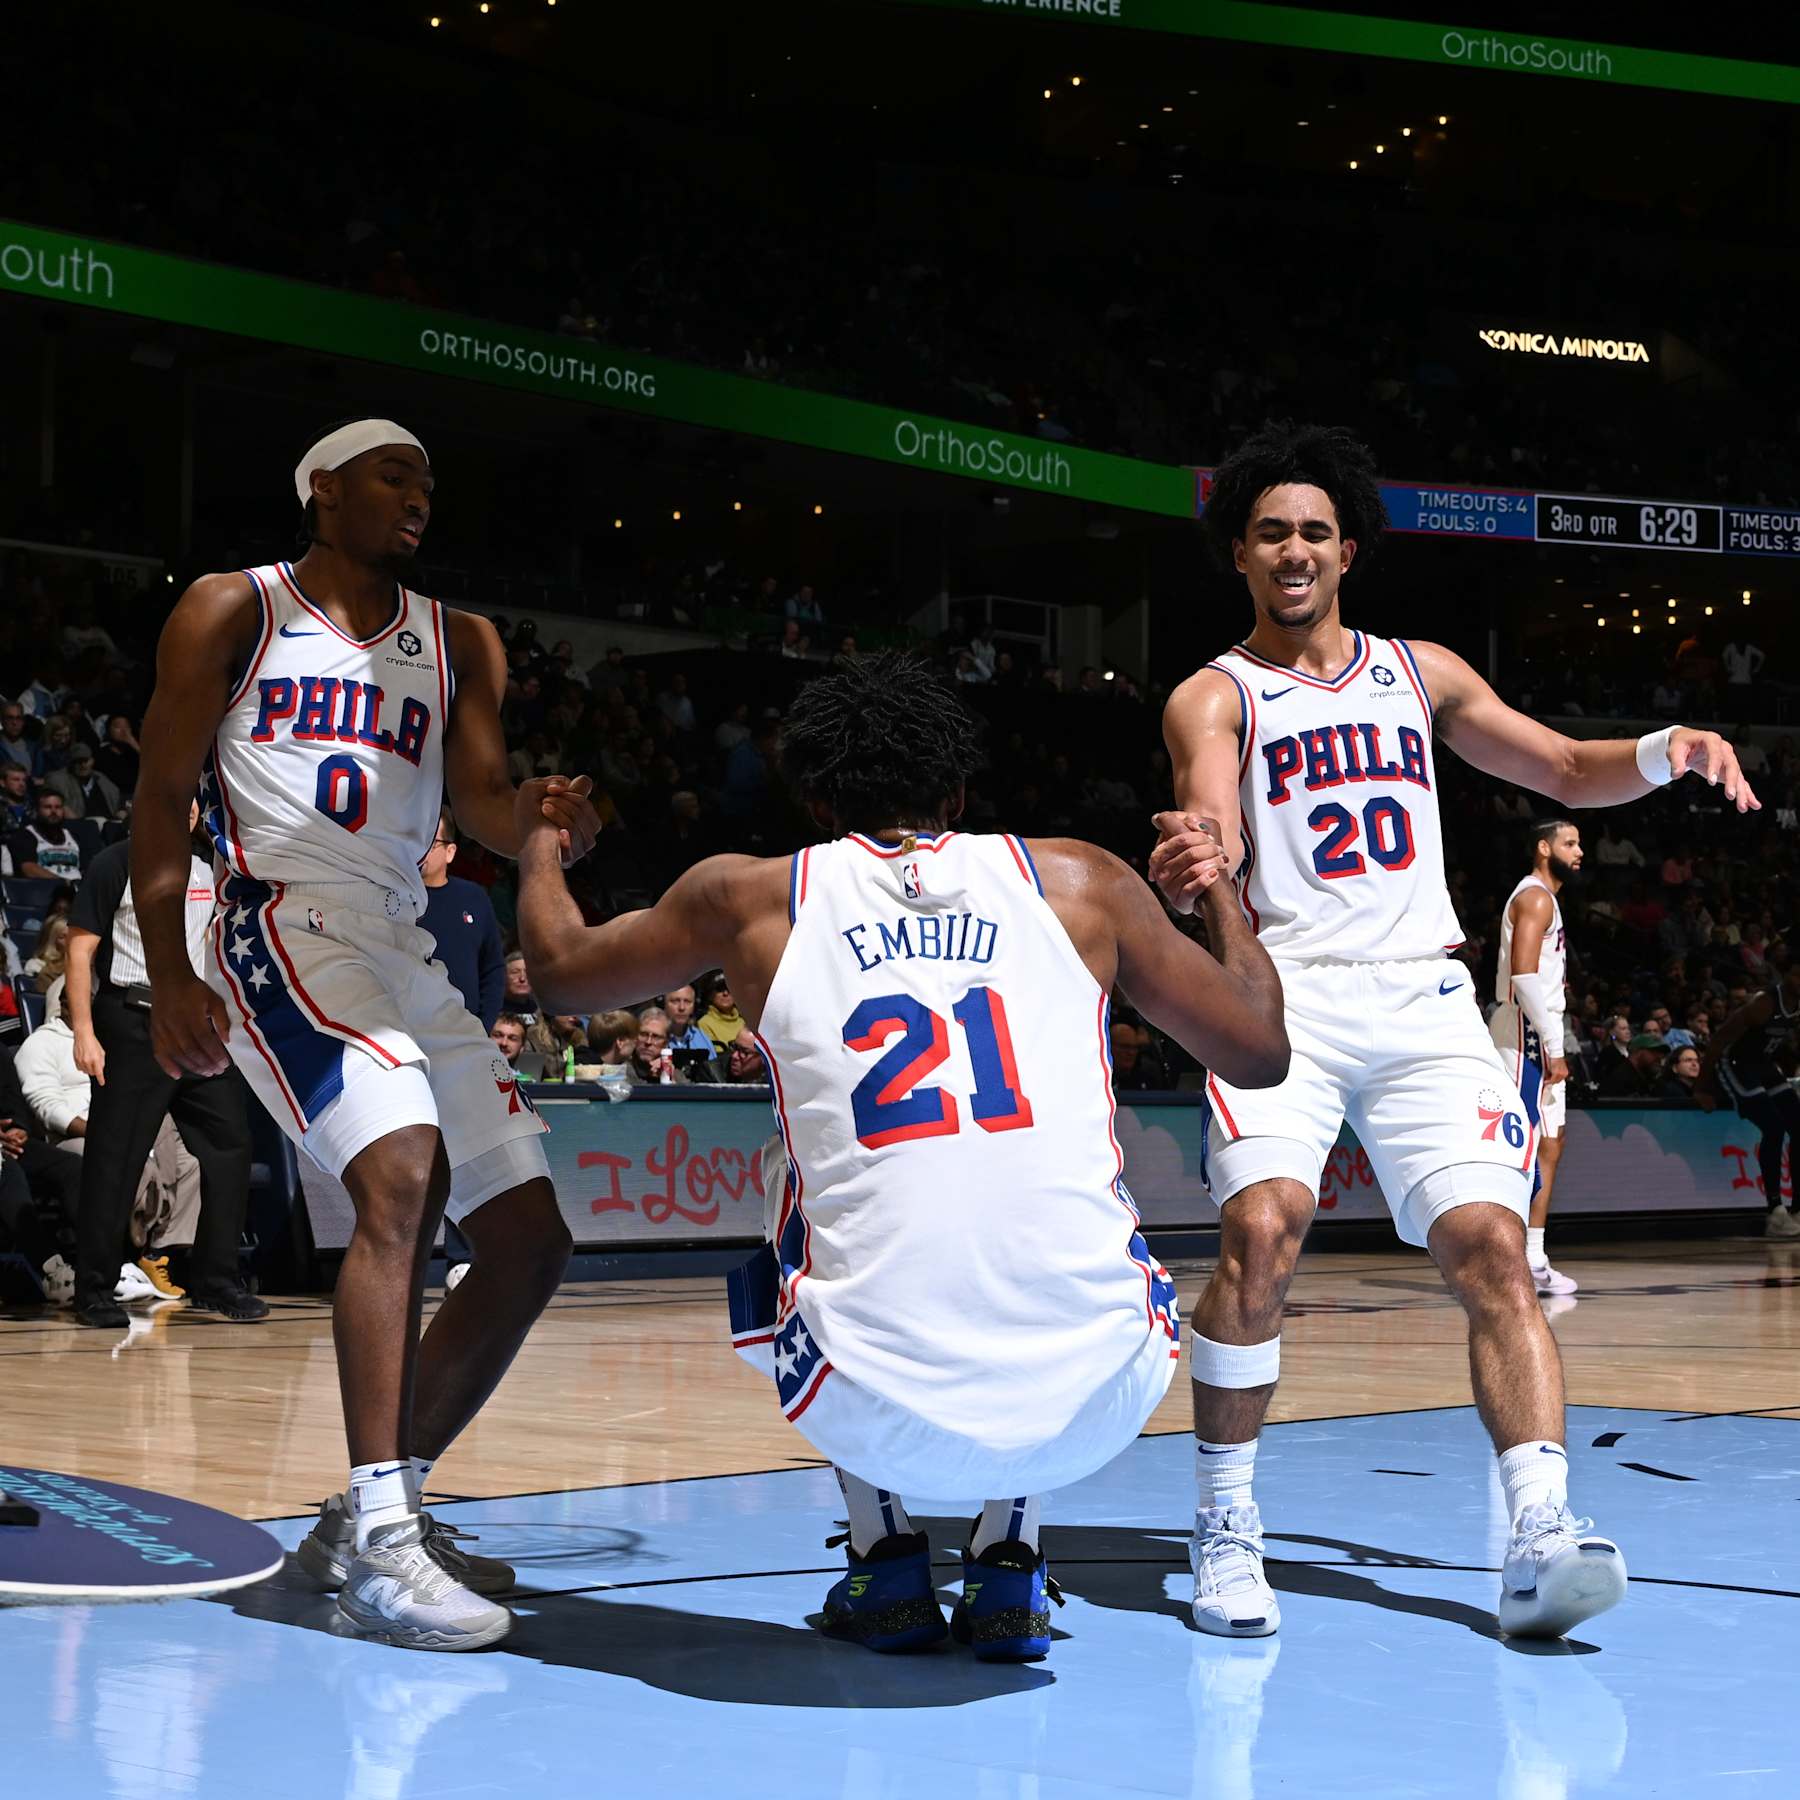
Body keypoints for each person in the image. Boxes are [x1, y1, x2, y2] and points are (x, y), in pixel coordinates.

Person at [512, 652, 1287, 1664]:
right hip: (1101, 1403)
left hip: (872, 1410)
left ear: (816, 800)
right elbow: (1260, 1050)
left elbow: (559, 975)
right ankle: (1012, 1561)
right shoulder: (1083, 880)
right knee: (1045, 1178)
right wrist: (1218, 889)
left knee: (796, 1182)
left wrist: (538, 842)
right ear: (957, 794)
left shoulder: (750, 898)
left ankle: (884, 1560)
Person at [1151, 420, 1757, 1642]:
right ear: (1241, 555)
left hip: (1422, 995)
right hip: (1288, 992)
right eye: (1270, 533)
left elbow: (1568, 768)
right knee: (1261, 1236)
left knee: (1493, 1249)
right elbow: (1212, 822)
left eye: (1314, 531)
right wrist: (1198, 866)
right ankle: (1226, 1527)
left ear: (1349, 549)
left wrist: (1668, 748)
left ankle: (1540, 1533)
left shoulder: (1417, 671)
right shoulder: (1215, 694)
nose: (1294, 550)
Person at [131, 417, 600, 1652]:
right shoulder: (234, 608)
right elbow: (161, 797)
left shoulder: (462, 639)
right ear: (324, 490)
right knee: (401, 1170)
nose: (419, 496)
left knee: (529, 1241)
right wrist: (172, 968)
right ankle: (389, 1544)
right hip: (278, 918)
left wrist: (542, 815)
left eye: (429, 482)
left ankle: (365, 1520)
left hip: (401, 940)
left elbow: (483, 805)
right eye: (395, 475)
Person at [63, 800, 263, 1327]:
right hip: (133, 1020)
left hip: (198, 1025)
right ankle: (95, 1289)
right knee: (115, 1157)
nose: (186, 810)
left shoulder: (209, 869)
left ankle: (217, 1280)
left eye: (193, 804)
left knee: (230, 1145)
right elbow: (80, 950)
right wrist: (84, 1031)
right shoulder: (114, 862)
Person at [1491, 821, 1582, 1298]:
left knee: (1551, 1141)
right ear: (1544, 848)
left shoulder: (1548, 898)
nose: (1579, 851)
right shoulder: (1535, 897)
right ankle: (1504, 1258)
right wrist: (1554, 1045)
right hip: (1527, 1031)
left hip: (1540, 1029)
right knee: (1519, 1145)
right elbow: (1524, 977)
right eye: (1570, 843)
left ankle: (1533, 1256)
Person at [1697, 965, 1800, 1237]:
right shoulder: (1763, 1003)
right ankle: (1775, 1212)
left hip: (1762, 1064)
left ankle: (1797, 1210)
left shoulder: (1795, 1006)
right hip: (1734, 1064)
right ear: (1787, 975)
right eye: (1797, 974)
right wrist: (1702, 1088)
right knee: (1774, 1127)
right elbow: (1718, 1041)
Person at [420, 806, 506, 1035]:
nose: (421, 849)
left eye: (430, 842)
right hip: (407, 1030)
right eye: (416, 839)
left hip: (464, 1031)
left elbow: (493, 967)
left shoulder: (474, 897)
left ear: (450, 851)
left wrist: (483, 1026)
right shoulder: (393, 899)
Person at [7, 790, 85, 884]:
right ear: (37, 810)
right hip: (45, 888)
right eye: (48, 807)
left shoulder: (73, 836)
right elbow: (29, 869)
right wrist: (63, 882)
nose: (53, 811)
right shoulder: (25, 835)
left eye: (58, 807)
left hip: (79, 888)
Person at [697, 973, 745, 1052]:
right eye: (719, 989)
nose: (725, 993)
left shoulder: (745, 1021)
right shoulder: (704, 1023)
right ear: (709, 995)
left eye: (729, 988)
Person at [660, 983, 713, 1055]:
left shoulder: (701, 1037)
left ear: (695, 1006)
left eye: (687, 1001)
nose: (682, 1007)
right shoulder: (652, 1037)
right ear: (663, 1004)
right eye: (675, 1001)